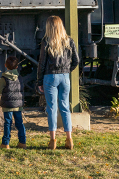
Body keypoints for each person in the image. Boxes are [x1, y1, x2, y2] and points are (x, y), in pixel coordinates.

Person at [37, 15, 79, 151]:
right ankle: (69, 139)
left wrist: (39, 81)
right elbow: (76, 61)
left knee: (52, 108)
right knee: (65, 107)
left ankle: (53, 140)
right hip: (65, 77)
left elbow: (42, 63)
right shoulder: (69, 41)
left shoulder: (46, 42)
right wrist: (67, 70)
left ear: (49, 27)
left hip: (50, 77)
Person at [0, 56, 26, 149]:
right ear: (17, 67)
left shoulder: (4, 78)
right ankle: (22, 142)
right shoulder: (20, 78)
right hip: (18, 106)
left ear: (5, 65)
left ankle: (5, 143)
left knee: (7, 123)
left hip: (7, 105)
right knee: (19, 123)